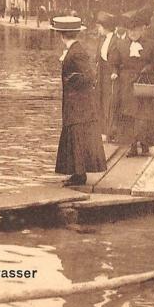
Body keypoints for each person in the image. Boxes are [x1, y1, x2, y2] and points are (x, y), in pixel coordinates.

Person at [50, 16, 107, 186]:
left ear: (62, 35)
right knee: (75, 134)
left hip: (79, 103)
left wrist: (71, 80)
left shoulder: (76, 52)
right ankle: (77, 172)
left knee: (77, 134)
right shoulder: (75, 50)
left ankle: (80, 174)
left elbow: (90, 76)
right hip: (76, 101)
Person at [114, 12, 154, 156]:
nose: (133, 33)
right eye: (130, 30)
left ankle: (145, 142)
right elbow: (115, 62)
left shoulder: (151, 45)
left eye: (136, 30)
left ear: (142, 29)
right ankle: (132, 146)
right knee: (129, 114)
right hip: (127, 84)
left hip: (145, 81)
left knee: (145, 114)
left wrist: (147, 69)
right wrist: (114, 72)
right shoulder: (121, 45)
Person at [94, 11, 120, 142]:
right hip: (102, 75)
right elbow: (98, 58)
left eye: (99, 27)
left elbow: (118, 58)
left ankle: (111, 132)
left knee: (110, 103)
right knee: (101, 102)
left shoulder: (116, 41)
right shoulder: (101, 40)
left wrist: (115, 71)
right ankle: (103, 130)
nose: (98, 29)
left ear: (105, 27)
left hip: (111, 76)